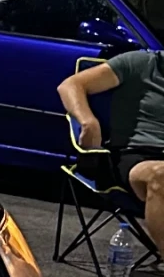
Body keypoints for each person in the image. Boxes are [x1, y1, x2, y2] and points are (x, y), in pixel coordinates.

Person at [58, 48, 164, 255]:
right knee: (160, 175)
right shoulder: (141, 63)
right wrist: (88, 122)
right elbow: (71, 85)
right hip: (138, 156)